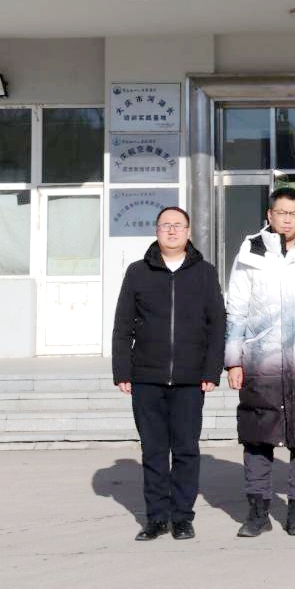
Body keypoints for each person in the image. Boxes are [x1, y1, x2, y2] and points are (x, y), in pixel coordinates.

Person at [224, 187, 295, 538]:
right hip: (261, 361)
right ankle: (258, 513)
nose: (287, 219)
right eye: (281, 213)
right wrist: (233, 361)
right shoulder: (250, 252)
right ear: (269, 215)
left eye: (294, 214)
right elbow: (236, 310)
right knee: (257, 436)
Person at [112, 206, 225, 542]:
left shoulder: (204, 273)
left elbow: (217, 325)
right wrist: (122, 370)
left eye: (178, 225)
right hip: (147, 376)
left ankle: (183, 518)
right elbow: (123, 325)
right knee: (154, 450)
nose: (172, 231)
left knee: (187, 450)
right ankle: (157, 518)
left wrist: (212, 370)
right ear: (156, 231)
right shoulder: (138, 272)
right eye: (165, 225)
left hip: (190, 378)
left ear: (188, 232)